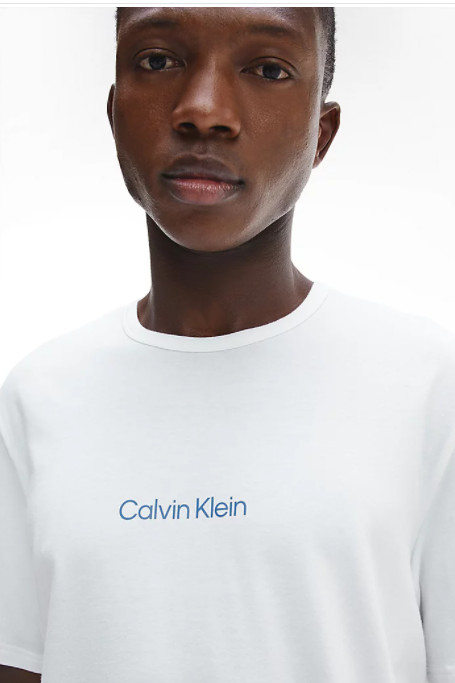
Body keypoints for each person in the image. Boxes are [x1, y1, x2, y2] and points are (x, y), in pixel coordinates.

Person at [0, 6, 454, 683]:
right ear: (114, 111)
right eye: (158, 60)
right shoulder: (39, 396)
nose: (203, 111)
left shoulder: (425, 385)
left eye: (267, 69)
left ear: (321, 132)